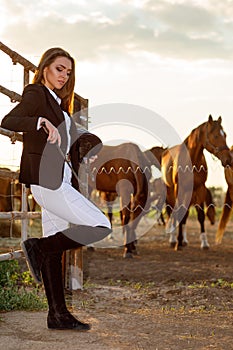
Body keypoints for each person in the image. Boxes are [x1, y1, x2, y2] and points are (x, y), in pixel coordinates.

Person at [1, 47, 112, 331]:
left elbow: (67, 146)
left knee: (56, 248)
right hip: (45, 181)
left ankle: (57, 315)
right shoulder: (36, 93)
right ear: (45, 67)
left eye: (68, 72)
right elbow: (8, 121)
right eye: (59, 68)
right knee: (100, 224)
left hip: (58, 180)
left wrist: (87, 151)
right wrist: (40, 121)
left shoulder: (61, 105)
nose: (64, 75)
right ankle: (37, 247)